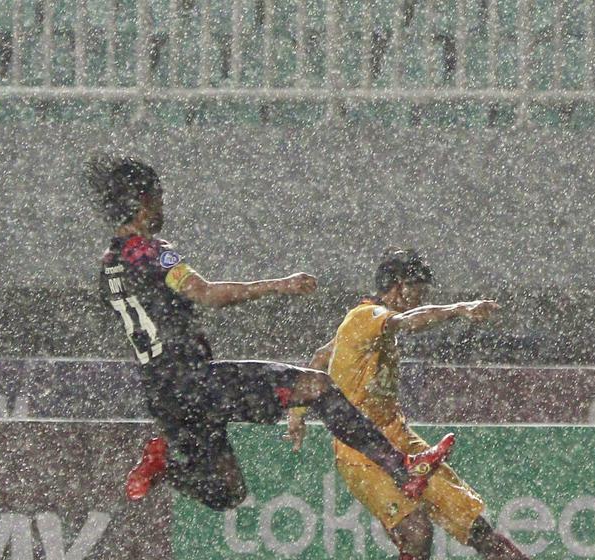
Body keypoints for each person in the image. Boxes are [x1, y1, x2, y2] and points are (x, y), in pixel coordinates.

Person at [87, 155, 453, 511]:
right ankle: (402, 468)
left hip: (162, 394)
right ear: (142, 201)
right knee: (318, 387)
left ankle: (166, 467)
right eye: (159, 196)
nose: (163, 205)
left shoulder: (107, 266)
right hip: (193, 381)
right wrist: (279, 285)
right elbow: (206, 293)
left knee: (229, 492)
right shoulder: (150, 252)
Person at [287, 249, 552, 560]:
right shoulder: (366, 317)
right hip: (361, 450)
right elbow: (408, 322)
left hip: (402, 440)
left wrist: (296, 414)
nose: (420, 297)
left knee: (474, 525)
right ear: (396, 288)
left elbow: (319, 357)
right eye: (417, 289)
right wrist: (460, 309)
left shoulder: (359, 329)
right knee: (416, 531)